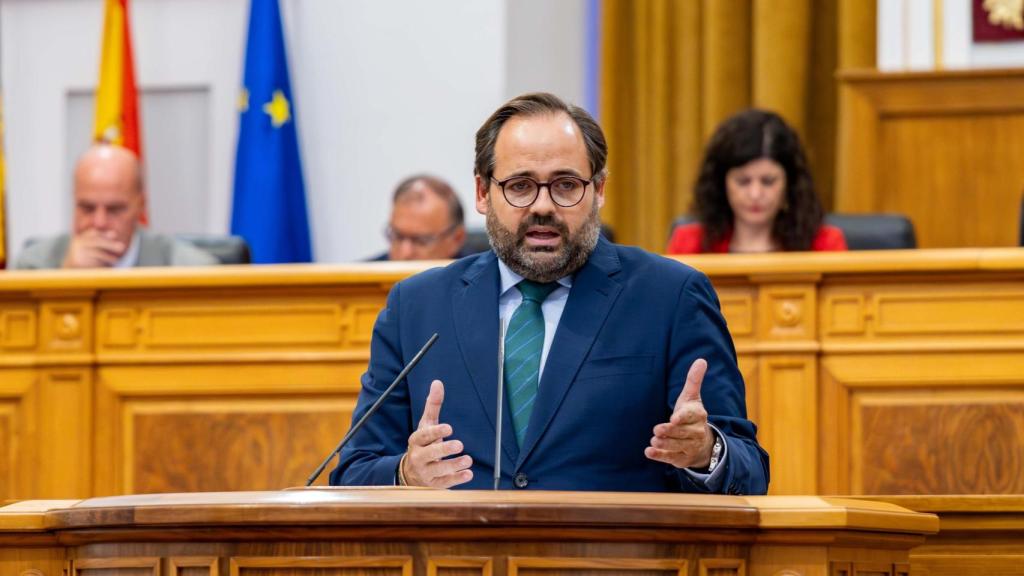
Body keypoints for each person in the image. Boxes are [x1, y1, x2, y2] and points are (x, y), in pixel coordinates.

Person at [331, 93, 769, 494]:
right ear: (484, 193)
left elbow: (750, 471)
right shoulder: (417, 307)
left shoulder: (671, 297)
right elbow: (351, 472)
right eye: (520, 185)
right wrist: (407, 473)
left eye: (565, 185)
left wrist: (706, 452)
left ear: (598, 191)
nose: (543, 206)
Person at [667, 108, 847, 254]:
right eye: (743, 181)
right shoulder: (689, 244)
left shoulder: (824, 245)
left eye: (768, 181)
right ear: (721, 182)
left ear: (790, 183)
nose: (755, 194)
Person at [15, 144, 218, 269]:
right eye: (86, 208)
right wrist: (66, 282)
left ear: (141, 207)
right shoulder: (32, 268)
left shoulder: (191, 271)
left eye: (115, 209)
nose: (99, 223)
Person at [370, 175, 468, 261]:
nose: (405, 254)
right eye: (397, 236)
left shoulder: (480, 279)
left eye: (421, 240)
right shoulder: (363, 278)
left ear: (457, 239)